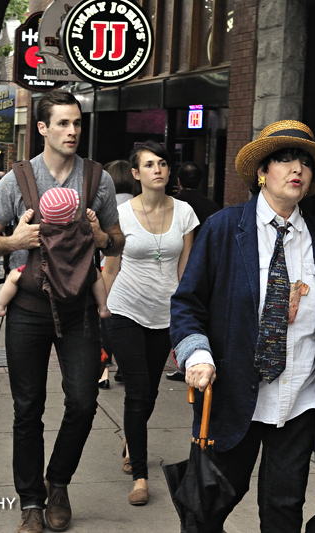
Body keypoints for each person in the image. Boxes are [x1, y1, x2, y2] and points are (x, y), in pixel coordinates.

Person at [170, 120, 315, 532]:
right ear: (262, 172)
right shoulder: (223, 229)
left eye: (305, 163)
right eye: (285, 159)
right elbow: (187, 304)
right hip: (234, 394)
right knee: (208, 504)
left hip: (300, 399)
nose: (297, 170)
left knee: (284, 509)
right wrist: (197, 354)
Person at [0, 89, 124, 533]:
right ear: (42, 128)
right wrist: (15, 243)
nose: (73, 130)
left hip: (78, 311)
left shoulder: (98, 180)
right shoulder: (17, 180)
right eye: (62, 123)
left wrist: (101, 238)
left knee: (83, 400)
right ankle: (32, 503)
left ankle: (58, 482)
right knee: (28, 408)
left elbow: (118, 241)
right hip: (28, 309)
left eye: (77, 123)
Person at [102, 141, 199, 506]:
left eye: (162, 163)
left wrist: (186, 314)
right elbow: (110, 267)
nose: (157, 169)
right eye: (149, 164)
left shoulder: (186, 213)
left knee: (151, 392)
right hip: (125, 309)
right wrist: (99, 309)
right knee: (139, 390)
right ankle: (140, 476)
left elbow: (185, 269)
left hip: (165, 315)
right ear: (136, 173)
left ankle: (132, 435)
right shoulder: (121, 214)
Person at [0, 188, 111, 320]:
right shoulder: (83, 228)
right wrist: (94, 220)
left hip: (44, 272)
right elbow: (95, 231)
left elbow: (21, 232)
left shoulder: (39, 228)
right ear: (70, 216)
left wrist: (24, 220)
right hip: (76, 271)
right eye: (78, 210)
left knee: (14, 276)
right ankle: (103, 308)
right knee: (97, 276)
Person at [166, 162, 222, 382]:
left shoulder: (174, 205)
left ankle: (187, 361)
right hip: (204, 270)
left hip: (178, 267)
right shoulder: (213, 208)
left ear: (178, 180)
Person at [98, 159, 141, 388]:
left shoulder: (106, 207)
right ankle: (124, 369)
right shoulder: (138, 206)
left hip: (108, 270)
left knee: (105, 323)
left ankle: (103, 371)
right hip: (134, 274)